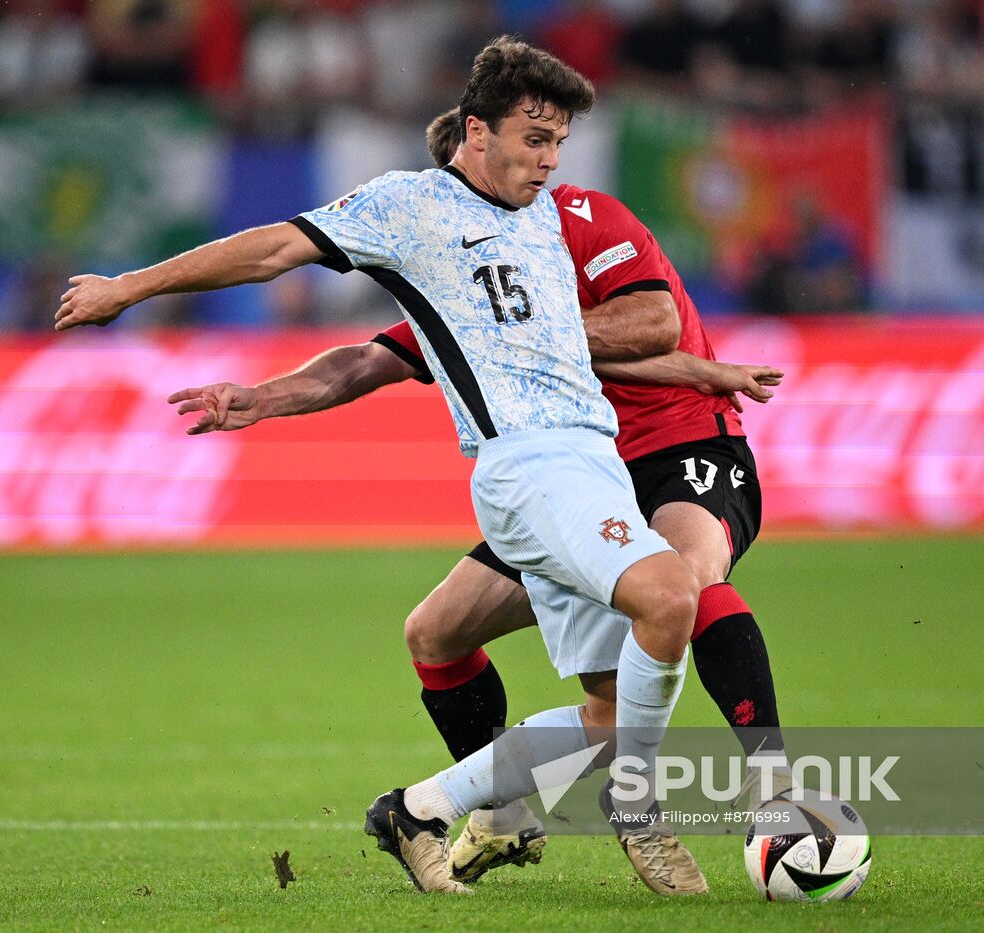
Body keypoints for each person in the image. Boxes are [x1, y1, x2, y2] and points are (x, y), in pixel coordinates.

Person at [59, 37, 709, 896]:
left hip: (591, 461)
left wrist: (713, 373)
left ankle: (416, 810)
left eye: (559, 143)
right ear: (476, 132)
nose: (550, 161)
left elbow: (571, 345)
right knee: (671, 598)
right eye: (533, 140)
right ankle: (639, 807)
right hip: (528, 466)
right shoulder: (410, 206)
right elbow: (271, 251)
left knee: (606, 716)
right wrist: (128, 288)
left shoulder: (545, 218)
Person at [171, 107, 791, 890]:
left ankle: (773, 788)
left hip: (680, 447)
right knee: (436, 633)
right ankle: (504, 808)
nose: (544, 165)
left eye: (548, 148)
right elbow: (365, 362)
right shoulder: (465, 276)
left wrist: (523, 332)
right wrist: (261, 397)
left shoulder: (583, 217)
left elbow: (653, 323)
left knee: (682, 580)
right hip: (568, 477)